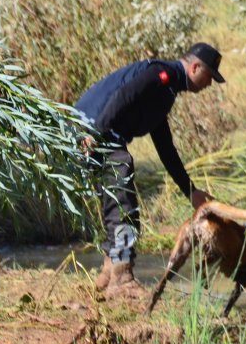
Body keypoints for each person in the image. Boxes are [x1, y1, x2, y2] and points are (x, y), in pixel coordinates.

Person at [75, 42, 225, 299]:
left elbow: (165, 146)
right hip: (94, 130)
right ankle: (121, 278)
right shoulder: (160, 75)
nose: (209, 84)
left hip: (94, 130)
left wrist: (190, 191)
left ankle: (110, 271)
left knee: (115, 201)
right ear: (195, 67)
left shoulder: (165, 90)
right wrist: (96, 134)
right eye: (209, 76)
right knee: (122, 199)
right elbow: (124, 95)